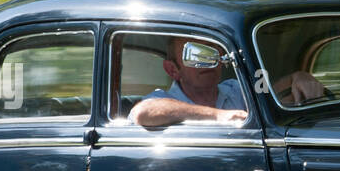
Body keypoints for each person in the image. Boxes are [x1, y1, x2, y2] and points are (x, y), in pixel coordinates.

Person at [128, 36, 327, 127]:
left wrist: (298, 77)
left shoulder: (235, 89)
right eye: (197, 54)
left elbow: (271, 92)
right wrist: (219, 116)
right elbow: (143, 112)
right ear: (173, 69)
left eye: (214, 51)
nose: (209, 60)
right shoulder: (163, 99)